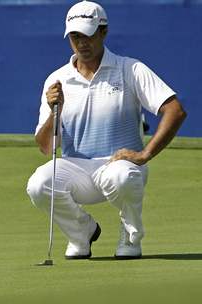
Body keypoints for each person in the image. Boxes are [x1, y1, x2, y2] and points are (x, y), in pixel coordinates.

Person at [26, 0, 186, 259]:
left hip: (120, 166)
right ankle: (82, 234)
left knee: (122, 176)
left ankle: (130, 235)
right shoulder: (57, 80)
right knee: (38, 184)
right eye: (75, 36)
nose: (82, 43)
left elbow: (175, 110)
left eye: (88, 35)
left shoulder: (129, 69)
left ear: (103, 32)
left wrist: (144, 155)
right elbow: (46, 147)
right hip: (77, 169)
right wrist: (54, 108)